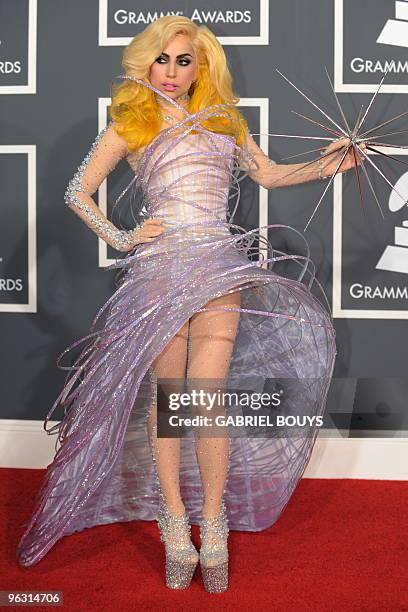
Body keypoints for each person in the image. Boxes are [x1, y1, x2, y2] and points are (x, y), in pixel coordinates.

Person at [16, 15, 364, 593]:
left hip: (218, 269)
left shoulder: (225, 122)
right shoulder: (134, 121)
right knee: (170, 402)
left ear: (202, 65)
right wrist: (124, 237)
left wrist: (327, 164)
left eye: (184, 60)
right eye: (163, 59)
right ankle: (175, 524)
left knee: (203, 400)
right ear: (145, 64)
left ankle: (215, 524)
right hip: (158, 275)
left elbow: (271, 174)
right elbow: (77, 190)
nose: (173, 72)